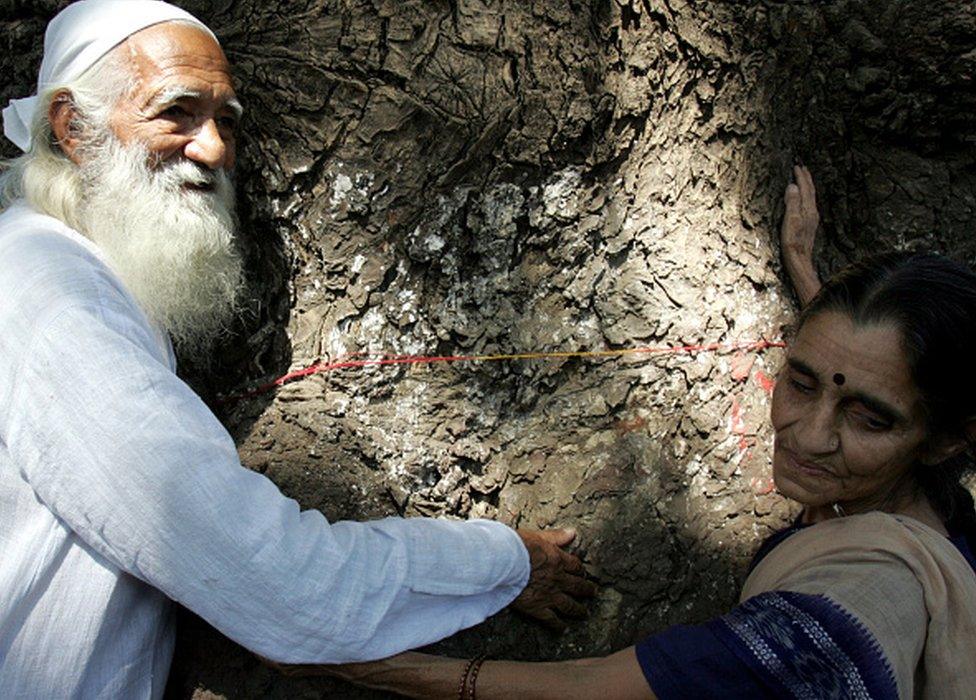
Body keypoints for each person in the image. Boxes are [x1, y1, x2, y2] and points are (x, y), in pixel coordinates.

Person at [0, 2, 594, 697]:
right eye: (176, 112)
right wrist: (499, 560)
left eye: (225, 119)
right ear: (72, 128)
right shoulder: (46, 285)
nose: (214, 148)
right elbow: (273, 577)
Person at [275, 166, 976, 698]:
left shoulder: (863, 599)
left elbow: (594, 690)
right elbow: (855, 369)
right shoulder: (910, 499)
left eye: (868, 419)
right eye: (798, 380)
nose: (809, 435)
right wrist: (805, 270)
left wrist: (378, 664)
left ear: (948, 439)